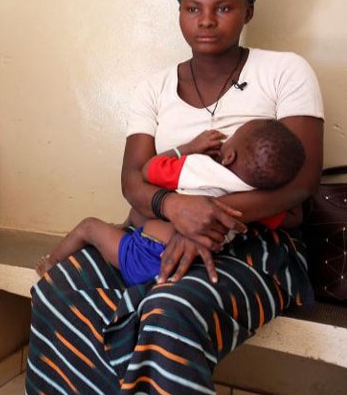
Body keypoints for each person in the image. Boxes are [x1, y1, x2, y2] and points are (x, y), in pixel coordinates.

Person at [24, 0, 323, 395]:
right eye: (192, 8)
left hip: (255, 241)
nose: (205, 20)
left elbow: (300, 181)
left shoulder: (286, 70)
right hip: (157, 227)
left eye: (223, 8)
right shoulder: (154, 86)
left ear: (248, 11)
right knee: (60, 288)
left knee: (169, 312)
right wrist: (175, 209)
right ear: (180, 10)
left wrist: (207, 221)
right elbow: (131, 178)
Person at [36, 119, 306, 285]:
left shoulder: (197, 167)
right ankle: (122, 228)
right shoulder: (253, 201)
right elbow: (293, 217)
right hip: (190, 267)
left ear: (229, 155)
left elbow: (147, 170)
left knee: (89, 227)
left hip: (143, 258)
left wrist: (188, 148)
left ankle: (51, 264)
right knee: (140, 216)